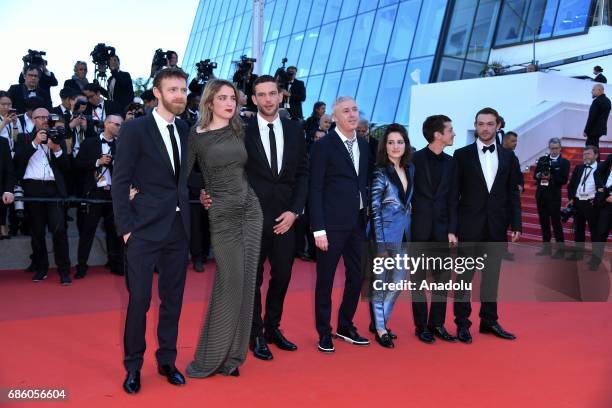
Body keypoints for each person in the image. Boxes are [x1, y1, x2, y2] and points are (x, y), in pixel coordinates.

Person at [112, 67, 191, 394]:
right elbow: (120, 182)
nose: (180, 95)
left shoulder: (186, 129)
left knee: (173, 300)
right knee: (140, 301)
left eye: (183, 89)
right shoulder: (135, 129)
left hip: (178, 228)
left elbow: (183, 178)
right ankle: (133, 366)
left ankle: (167, 360)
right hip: (143, 230)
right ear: (157, 93)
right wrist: (126, 229)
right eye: (172, 90)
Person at [185, 79, 263, 378]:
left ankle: (233, 357)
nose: (230, 103)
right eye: (223, 98)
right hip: (222, 214)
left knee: (246, 283)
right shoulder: (197, 135)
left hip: (250, 210)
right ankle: (211, 356)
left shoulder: (239, 129)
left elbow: (250, 167)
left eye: (233, 98)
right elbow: (186, 173)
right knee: (229, 282)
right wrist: (204, 190)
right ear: (210, 102)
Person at [241, 75, 308, 361]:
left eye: (272, 94)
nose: (268, 99)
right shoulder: (242, 132)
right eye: (261, 95)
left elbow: (303, 173)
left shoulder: (295, 130)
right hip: (253, 217)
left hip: (286, 218)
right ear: (254, 99)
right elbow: (237, 175)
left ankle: (272, 327)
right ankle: (254, 334)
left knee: (282, 275)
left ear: (281, 97)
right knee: (253, 279)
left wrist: (295, 211)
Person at [452, 107, 521, 343]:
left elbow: (512, 193)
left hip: (496, 226)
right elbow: (454, 195)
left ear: (498, 126)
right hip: (469, 226)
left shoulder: (509, 157)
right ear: (475, 125)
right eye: (481, 124)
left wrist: (517, 223)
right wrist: (453, 227)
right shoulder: (461, 156)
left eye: (490, 124)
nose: (485, 128)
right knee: (464, 278)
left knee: (492, 277)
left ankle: (489, 321)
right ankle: (462, 324)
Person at [310, 96, 371, 353]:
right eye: (346, 111)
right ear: (335, 117)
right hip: (331, 226)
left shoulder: (365, 145)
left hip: (357, 223)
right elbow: (315, 189)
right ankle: (324, 332)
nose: (352, 114)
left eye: (355, 109)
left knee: (357, 277)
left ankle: (345, 325)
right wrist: (318, 229)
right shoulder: (324, 146)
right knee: (325, 280)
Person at [409, 115, 458, 344]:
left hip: (442, 230)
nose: (453, 133)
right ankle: (421, 326)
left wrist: (452, 230)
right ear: (437, 134)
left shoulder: (451, 163)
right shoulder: (414, 160)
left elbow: (452, 200)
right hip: (418, 228)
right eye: (450, 130)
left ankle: (437, 323)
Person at [13, 108, 71, 285]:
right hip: (33, 188)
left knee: (59, 230)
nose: (45, 120)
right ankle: (41, 268)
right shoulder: (23, 138)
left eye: (48, 117)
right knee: (37, 232)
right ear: (33, 119)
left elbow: (67, 169)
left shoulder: (57, 136)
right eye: (41, 117)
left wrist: (57, 149)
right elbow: (18, 163)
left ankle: (64, 270)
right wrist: (35, 142)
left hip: (54, 189)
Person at [369, 124, 414, 348]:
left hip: (404, 235)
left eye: (400, 142)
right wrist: (380, 244)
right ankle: (380, 328)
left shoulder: (410, 169)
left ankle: (381, 321)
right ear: (384, 146)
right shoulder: (379, 173)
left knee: (397, 283)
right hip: (384, 237)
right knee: (379, 284)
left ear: (406, 145)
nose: (395, 146)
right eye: (390, 142)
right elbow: (374, 210)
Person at [75, 115, 124, 278]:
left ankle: (116, 263)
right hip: (94, 193)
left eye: (120, 124)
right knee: (87, 231)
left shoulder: (122, 145)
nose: (118, 127)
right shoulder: (90, 142)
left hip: (113, 194)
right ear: (106, 124)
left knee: (115, 231)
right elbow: (78, 164)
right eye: (116, 124)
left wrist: (115, 163)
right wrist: (98, 162)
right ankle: (81, 266)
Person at [533, 138, 570, 258]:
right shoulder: (543, 159)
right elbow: (535, 175)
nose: (554, 150)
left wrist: (552, 176)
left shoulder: (564, 162)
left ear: (560, 148)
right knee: (544, 223)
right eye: (552, 148)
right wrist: (539, 175)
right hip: (541, 195)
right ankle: (546, 249)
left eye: (556, 148)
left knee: (556, 223)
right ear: (549, 148)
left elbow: (563, 180)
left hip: (554, 197)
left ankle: (560, 250)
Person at [567, 146, 602, 261]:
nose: (585, 156)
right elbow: (571, 185)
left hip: (591, 204)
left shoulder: (602, 168)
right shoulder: (579, 167)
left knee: (594, 231)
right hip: (578, 203)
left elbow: (605, 186)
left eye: (588, 154)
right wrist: (571, 198)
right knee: (579, 230)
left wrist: (597, 199)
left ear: (596, 155)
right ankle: (578, 254)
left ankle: (596, 258)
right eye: (584, 154)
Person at [590, 154, 612, 270]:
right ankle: (595, 262)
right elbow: (596, 173)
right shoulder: (610, 158)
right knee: (601, 233)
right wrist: (603, 191)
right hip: (607, 203)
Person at [583, 83, 611, 148]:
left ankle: (595, 158)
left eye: (593, 90)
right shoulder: (608, 101)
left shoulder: (596, 101)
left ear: (599, 90)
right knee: (595, 147)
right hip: (600, 130)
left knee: (590, 148)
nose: (591, 91)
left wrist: (586, 130)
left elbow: (591, 117)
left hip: (593, 130)